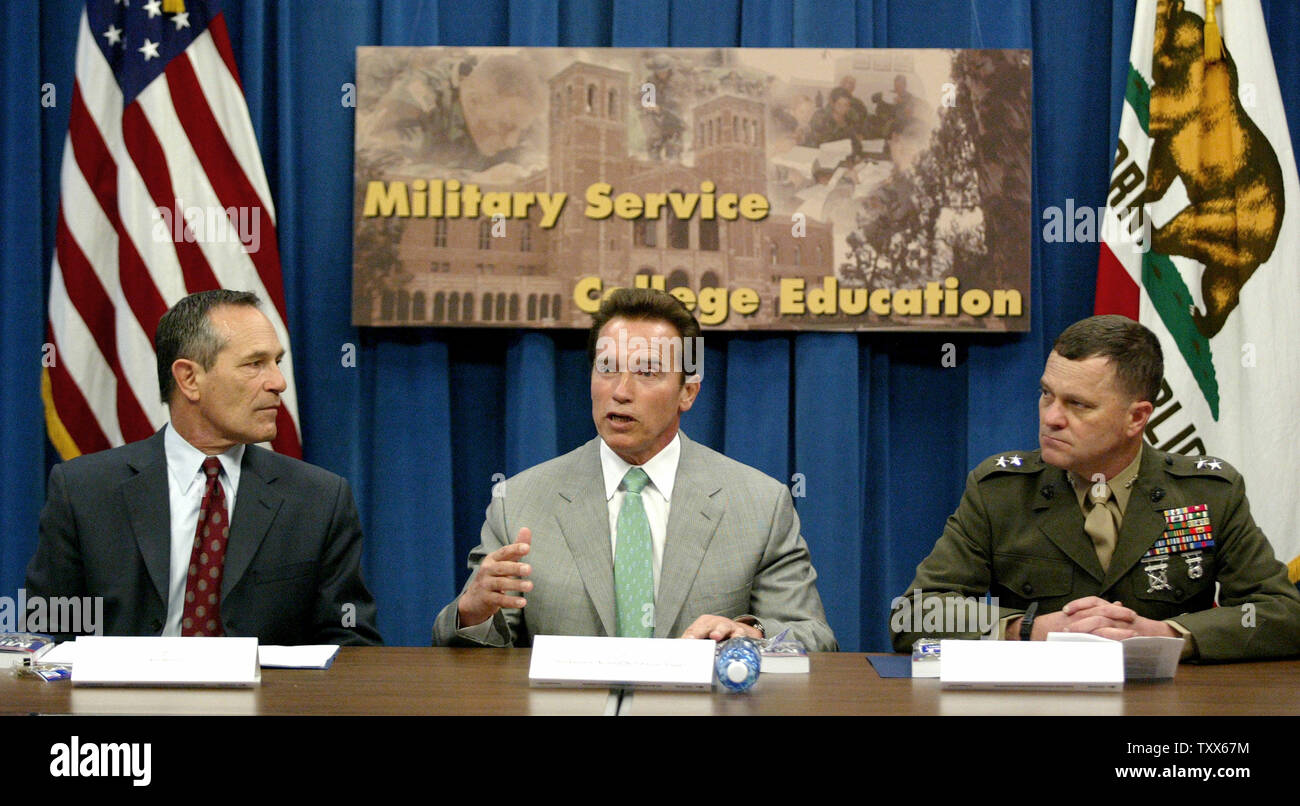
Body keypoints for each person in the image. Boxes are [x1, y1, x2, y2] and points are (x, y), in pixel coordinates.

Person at [433, 288, 837, 650]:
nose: (621, 391)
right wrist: (473, 613)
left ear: (688, 392)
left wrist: (752, 635)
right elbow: (468, 647)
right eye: (607, 369)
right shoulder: (519, 501)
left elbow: (812, 636)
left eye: (647, 372)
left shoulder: (759, 505)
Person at [892, 315, 1300, 662]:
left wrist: (1168, 635)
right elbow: (912, 617)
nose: (1051, 418)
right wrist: (1027, 629)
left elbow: (1282, 614)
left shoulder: (1208, 493)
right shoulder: (1001, 490)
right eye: (1046, 394)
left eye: (1078, 405)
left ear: (1136, 418)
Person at [27, 290, 381, 645]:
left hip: (266, 700)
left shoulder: (319, 500)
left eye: (277, 362)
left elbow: (350, 644)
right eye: (255, 364)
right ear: (189, 379)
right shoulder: (83, 492)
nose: (278, 382)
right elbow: (46, 635)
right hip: (120, 700)